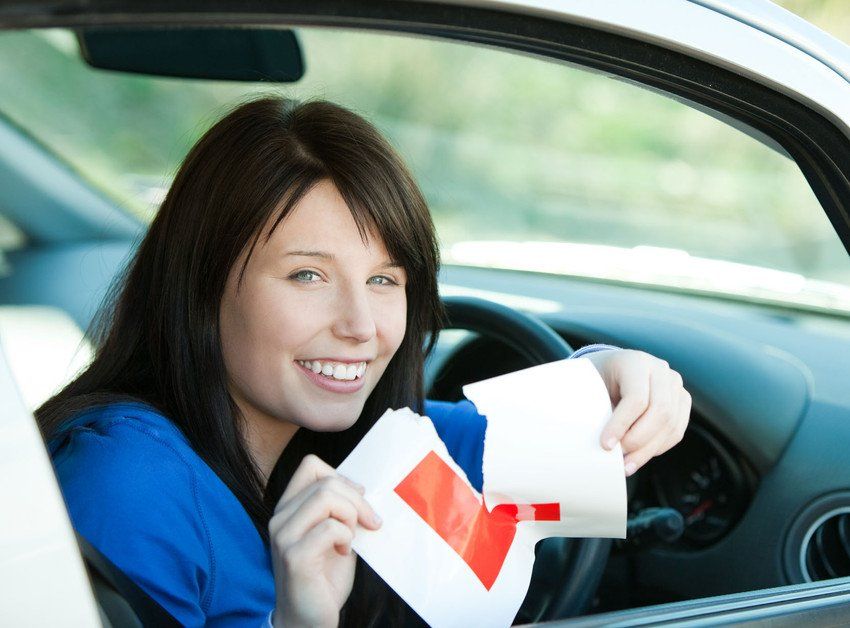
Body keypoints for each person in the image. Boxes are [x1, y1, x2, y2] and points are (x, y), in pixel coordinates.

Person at [39, 97, 691, 627]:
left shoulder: (358, 443)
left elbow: (550, 438)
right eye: (307, 276)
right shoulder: (126, 481)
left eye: (385, 281)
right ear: (201, 288)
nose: (360, 327)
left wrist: (618, 371)